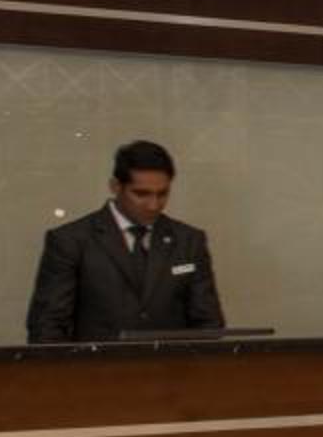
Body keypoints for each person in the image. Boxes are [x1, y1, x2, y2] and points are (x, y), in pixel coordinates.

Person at [25, 139, 227, 343]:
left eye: (162, 194)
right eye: (141, 194)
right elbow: (47, 327)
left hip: (172, 363)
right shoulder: (72, 240)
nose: (153, 205)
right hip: (97, 362)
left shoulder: (188, 241)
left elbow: (208, 325)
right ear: (115, 186)